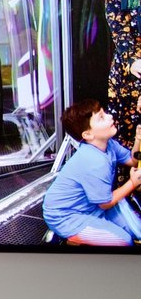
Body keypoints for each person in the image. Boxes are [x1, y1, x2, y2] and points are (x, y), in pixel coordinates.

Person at [42, 99, 141, 246]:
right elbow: (105, 203)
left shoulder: (109, 144)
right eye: (101, 117)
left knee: (138, 231)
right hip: (66, 217)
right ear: (87, 134)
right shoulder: (94, 161)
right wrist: (133, 183)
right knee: (125, 242)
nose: (110, 116)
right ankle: (64, 238)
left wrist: (138, 138)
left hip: (92, 207)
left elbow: (132, 160)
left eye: (104, 113)